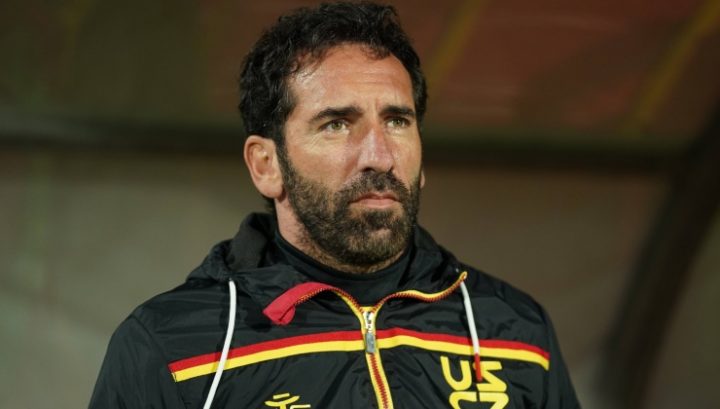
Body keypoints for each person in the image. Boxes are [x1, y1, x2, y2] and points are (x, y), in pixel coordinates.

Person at [90, 2, 580, 408]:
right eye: (337, 124)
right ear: (266, 165)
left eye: (397, 121)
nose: (380, 156)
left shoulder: (517, 332)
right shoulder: (169, 346)